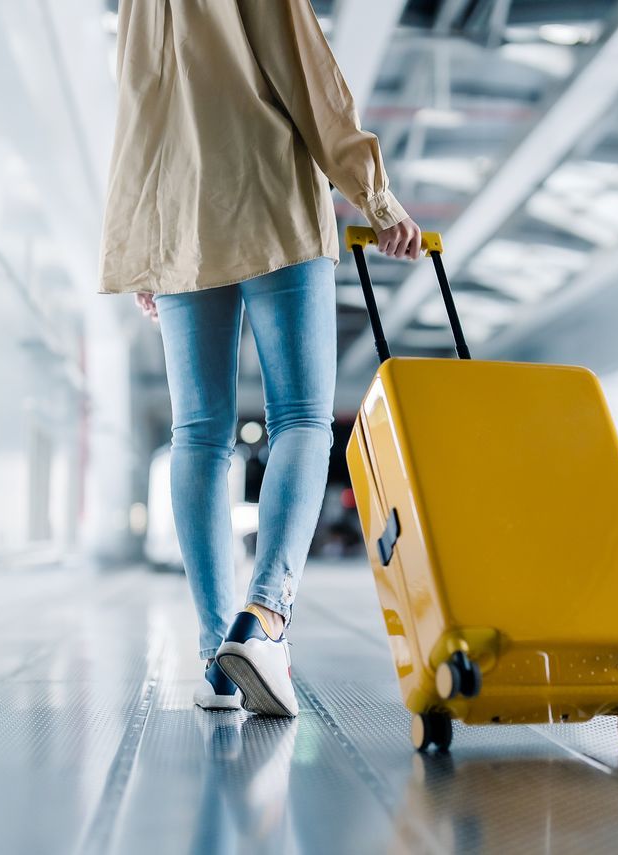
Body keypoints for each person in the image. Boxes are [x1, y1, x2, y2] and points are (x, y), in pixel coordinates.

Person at [98, 0, 422, 717]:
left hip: (179, 212)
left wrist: (142, 243)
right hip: (272, 193)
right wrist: (377, 195)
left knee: (199, 434)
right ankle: (266, 616)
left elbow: (137, 103)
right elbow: (310, 76)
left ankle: (218, 657)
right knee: (303, 418)